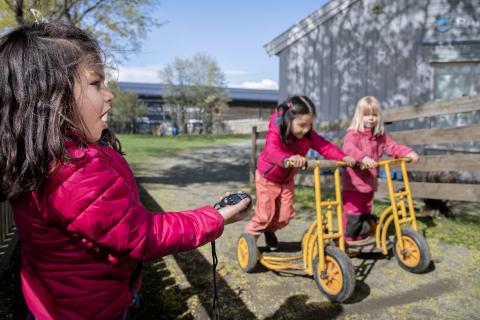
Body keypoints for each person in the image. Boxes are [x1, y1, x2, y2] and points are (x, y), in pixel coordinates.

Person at [0, 22, 250, 320]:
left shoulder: (43, 155)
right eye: (96, 84)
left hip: (52, 300)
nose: (109, 95)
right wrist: (214, 216)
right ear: (50, 97)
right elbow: (141, 234)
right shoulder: (73, 170)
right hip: (90, 310)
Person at [243, 96, 355, 249]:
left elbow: (325, 147)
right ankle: (249, 239)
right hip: (267, 178)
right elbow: (271, 151)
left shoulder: (308, 135)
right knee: (265, 215)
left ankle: (269, 230)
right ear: (289, 120)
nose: (306, 129)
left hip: (287, 180)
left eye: (309, 124)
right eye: (302, 125)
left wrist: (343, 157)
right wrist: (288, 158)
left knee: (285, 216)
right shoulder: (277, 129)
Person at [342, 96, 419, 242]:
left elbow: (392, 147)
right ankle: (348, 241)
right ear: (359, 115)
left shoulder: (379, 136)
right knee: (353, 213)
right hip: (354, 184)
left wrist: (408, 152)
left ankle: (362, 237)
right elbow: (348, 148)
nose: (370, 118)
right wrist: (363, 158)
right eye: (366, 114)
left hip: (370, 183)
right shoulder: (352, 135)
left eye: (374, 115)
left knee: (366, 211)